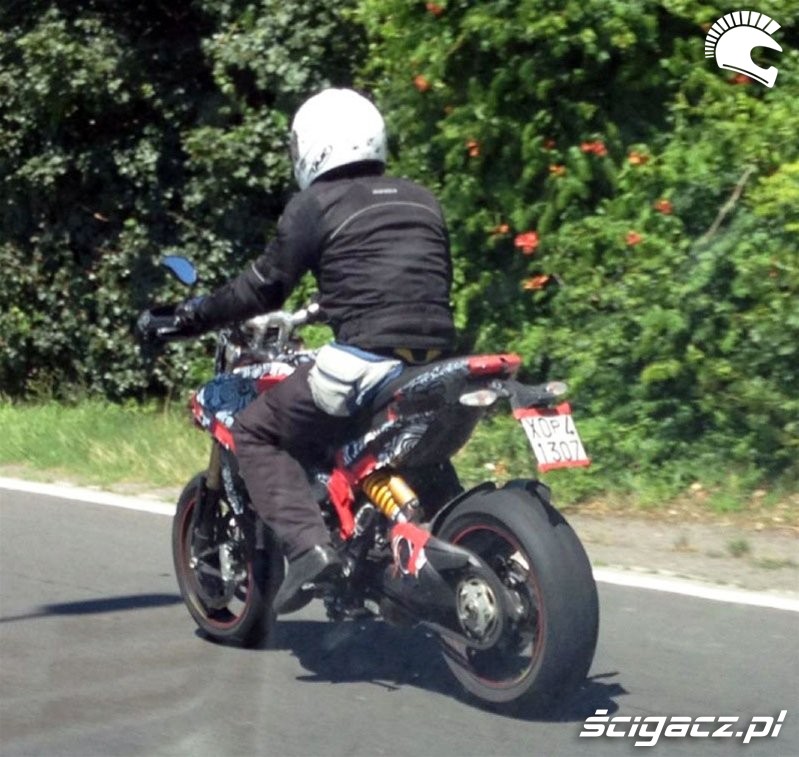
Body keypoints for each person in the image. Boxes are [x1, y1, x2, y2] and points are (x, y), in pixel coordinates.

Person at [173, 88, 455, 613]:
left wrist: (193, 315)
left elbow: (262, 287)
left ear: (314, 146)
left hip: (368, 362)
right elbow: (408, 280)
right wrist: (333, 305)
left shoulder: (314, 205)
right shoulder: (421, 198)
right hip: (439, 360)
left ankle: (309, 549)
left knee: (255, 430)